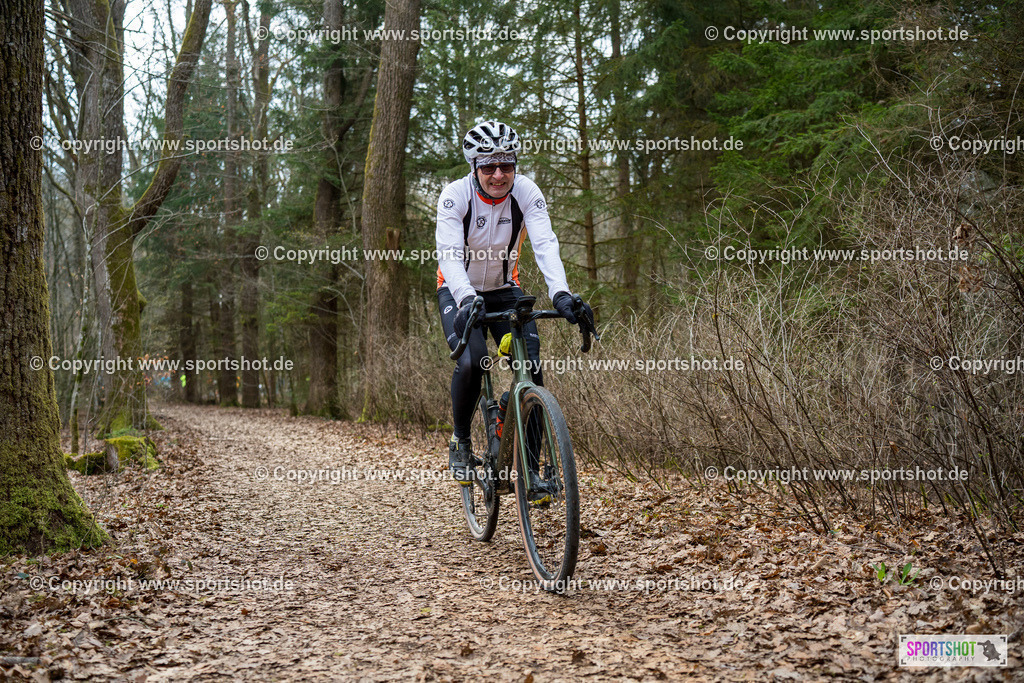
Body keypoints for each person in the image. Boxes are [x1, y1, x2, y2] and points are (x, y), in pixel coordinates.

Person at [436, 120, 588, 495]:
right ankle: (460, 442)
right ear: (474, 167)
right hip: (458, 291)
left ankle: (530, 472)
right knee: (472, 361)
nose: (499, 174)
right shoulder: (455, 197)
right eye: (488, 166)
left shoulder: (526, 192)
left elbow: (545, 244)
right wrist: (467, 297)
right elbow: (450, 257)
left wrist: (561, 294)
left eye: (506, 165)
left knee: (532, 369)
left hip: (505, 289)